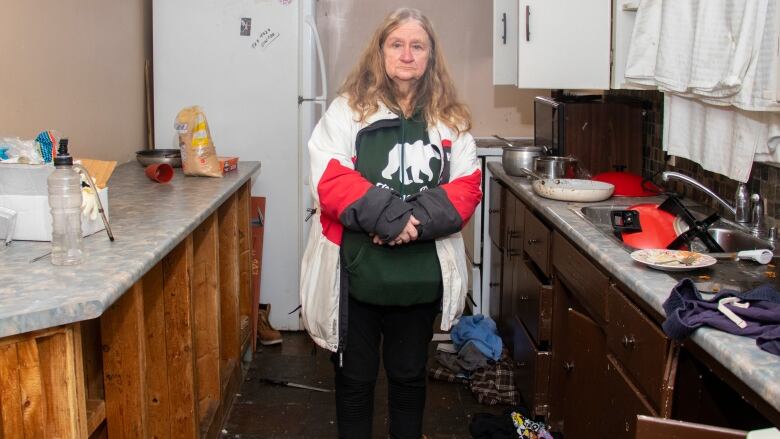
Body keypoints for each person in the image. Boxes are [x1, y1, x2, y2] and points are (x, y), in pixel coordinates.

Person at [299, 7, 481, 439]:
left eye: (417, 46)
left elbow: (468, 185)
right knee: (354, 382)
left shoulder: (450, 120)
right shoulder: (348, 111)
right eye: (396, 44)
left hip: (418, 280)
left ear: (430, 56)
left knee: (408, 379)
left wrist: (409, 221)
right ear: (380, 52)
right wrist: (390, 216)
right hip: (357, 277)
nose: (406, 54)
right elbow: (328, 175)